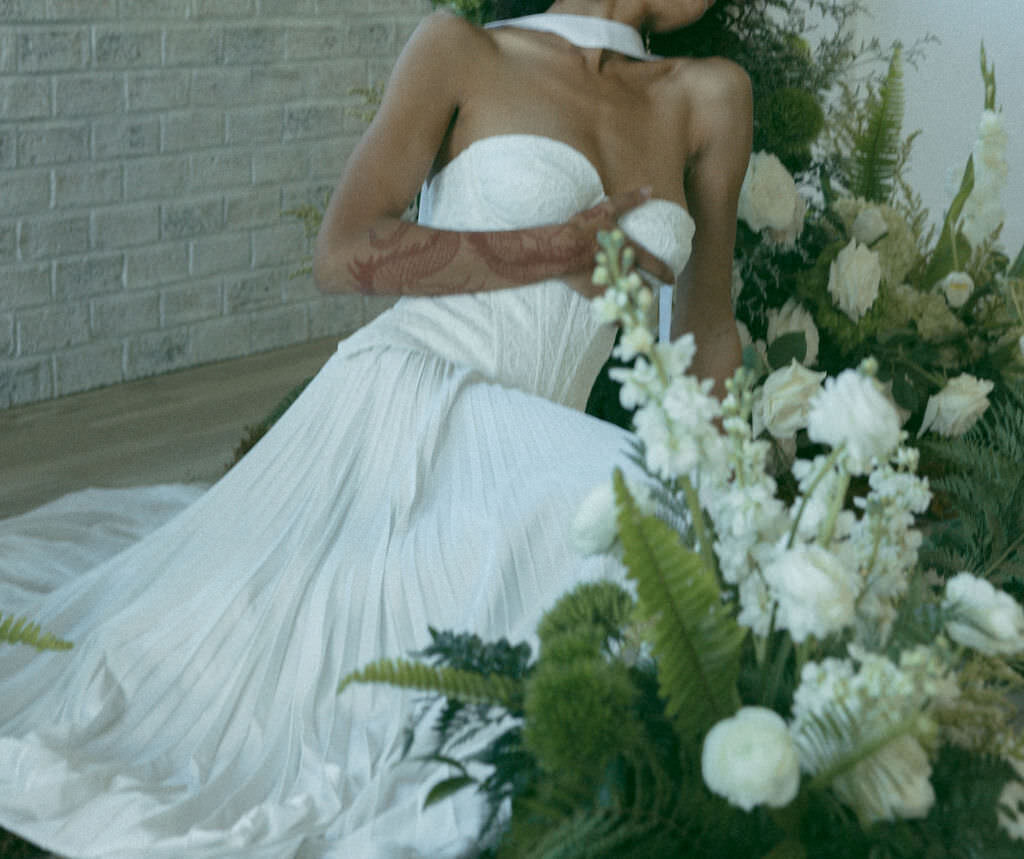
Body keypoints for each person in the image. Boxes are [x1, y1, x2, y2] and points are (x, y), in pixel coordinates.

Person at [0, 0, 751, 856]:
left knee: (660, 514)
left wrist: (738, 499)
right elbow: (344, 251)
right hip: (408, 397)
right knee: (613, 499)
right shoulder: (462, 49)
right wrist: (554, 248)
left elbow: (708, 327)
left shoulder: (709, 95)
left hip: (533, 445)